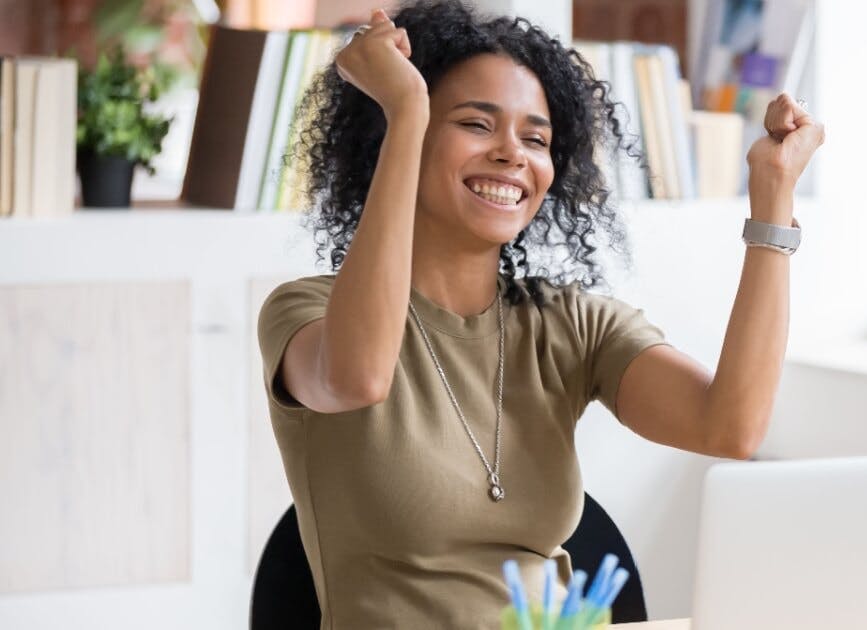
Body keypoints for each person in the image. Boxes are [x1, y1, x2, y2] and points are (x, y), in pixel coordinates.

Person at [256, 1, 823, 627]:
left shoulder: (569, 323)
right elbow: (358, 376)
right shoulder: (308, 311)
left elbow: (731, 428)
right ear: (392, 137)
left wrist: (773, 197)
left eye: (536, 138)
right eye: (476, 124)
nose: (512, 154)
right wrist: (408, 110)